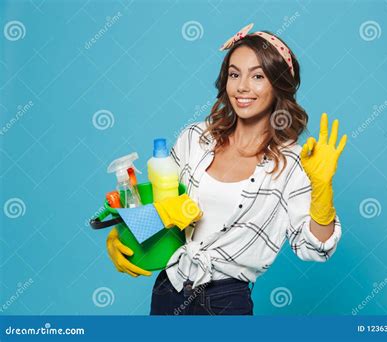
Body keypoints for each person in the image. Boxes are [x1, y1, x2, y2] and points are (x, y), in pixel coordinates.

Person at [106, 23, 347, 315]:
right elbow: (163, 209)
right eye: (235, 74)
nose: (242, 86)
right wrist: (122, 233)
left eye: (258, 76)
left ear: (278, 84)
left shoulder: (294, 163)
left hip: (226, 301)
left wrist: (322, 190)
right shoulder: (195, 138)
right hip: (169, 289)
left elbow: (315, 249)